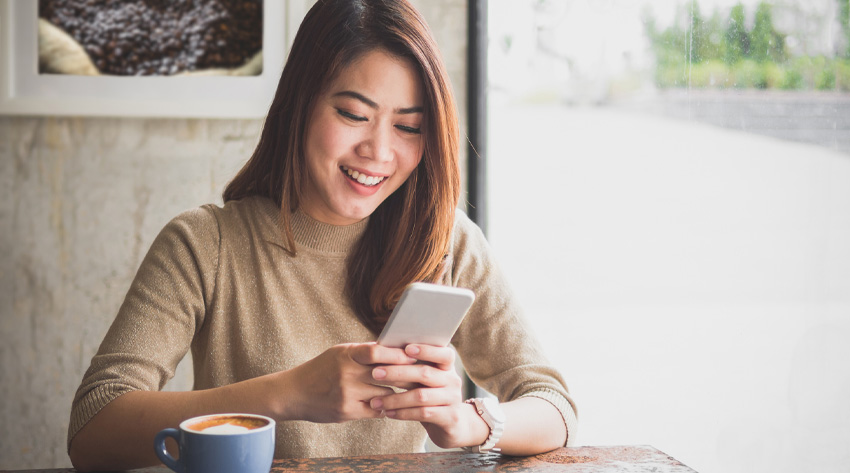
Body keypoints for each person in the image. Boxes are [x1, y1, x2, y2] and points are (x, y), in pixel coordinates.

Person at [67, 0, 578, 470]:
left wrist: (468, 421)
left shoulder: (442, 238)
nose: (379, 152)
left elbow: (554, 405)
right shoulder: (206, 244)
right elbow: (94, 426)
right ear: (300, 104)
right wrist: (288, 393)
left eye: (408, 126)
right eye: (354, 115)